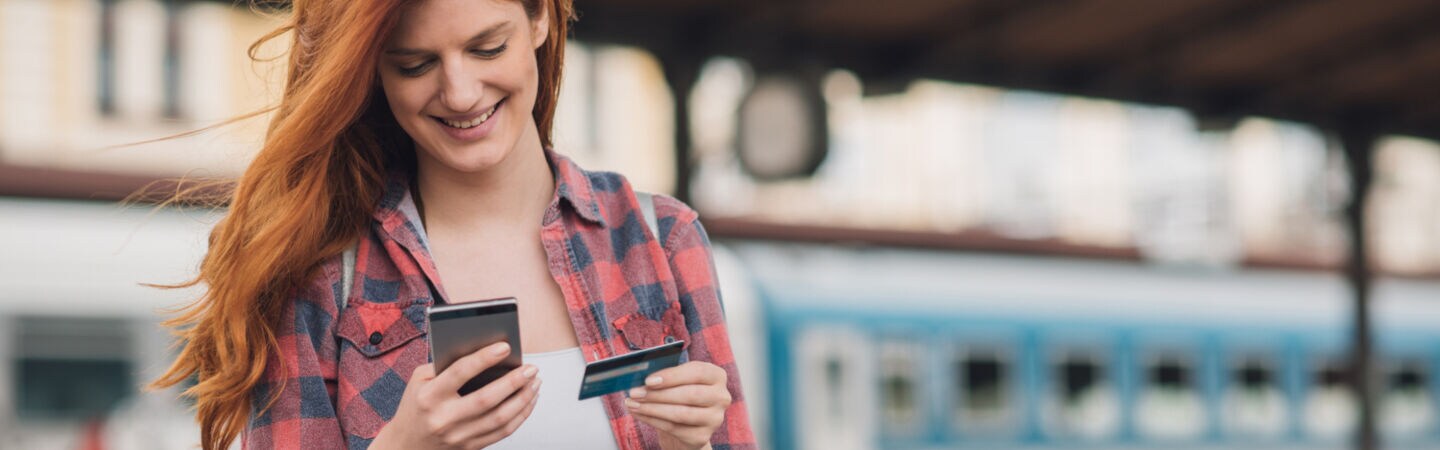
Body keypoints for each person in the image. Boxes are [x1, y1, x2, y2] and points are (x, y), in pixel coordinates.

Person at [149, 0, 755, 448]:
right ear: (375, 72)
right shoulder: (322, 273)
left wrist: (688, 446)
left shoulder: (663, 238)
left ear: (540, 19)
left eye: (487, 48)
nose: (461, 94)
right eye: (415, 65)